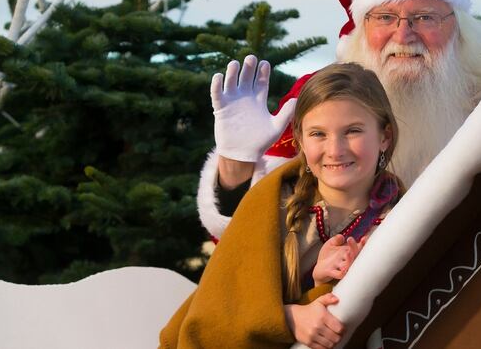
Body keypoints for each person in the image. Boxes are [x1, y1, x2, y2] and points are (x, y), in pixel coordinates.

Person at [198, 0, 481, 240]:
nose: (403, 35)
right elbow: (243, 244)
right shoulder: (319, 97)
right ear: (361, 29)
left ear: (459, 28)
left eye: (425, 17)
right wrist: (237, 163)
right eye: (385, 17)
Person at [160, 63, 404, 349]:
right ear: (299, 139)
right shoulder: (271, 205)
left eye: (352, 131)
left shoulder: (401, 219)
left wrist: (321, 284)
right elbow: (212, 322)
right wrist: (287, 319)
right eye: (318, 134)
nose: (335, 150)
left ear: (384, 136)